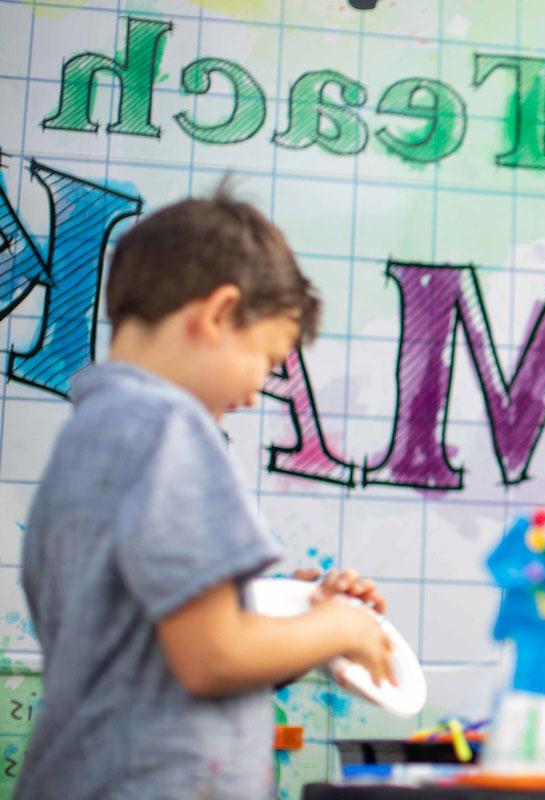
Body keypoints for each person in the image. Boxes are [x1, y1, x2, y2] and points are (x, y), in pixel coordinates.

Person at [16, 187, 396, 799]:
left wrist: (300, 610)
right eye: (267, 361)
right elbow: (212, 657)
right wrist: (342, 628)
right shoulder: (169, 427)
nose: (254, 395)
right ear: (218, 314)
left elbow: (152, 653)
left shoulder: (89, 436)